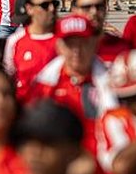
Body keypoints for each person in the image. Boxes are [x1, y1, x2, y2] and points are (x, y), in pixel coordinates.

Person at [23, 14, 112, 153]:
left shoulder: (114, 83)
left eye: (82, 42)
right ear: (59, 46)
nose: (76, 50)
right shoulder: (43, 85)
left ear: (94, 43)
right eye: (70, 43)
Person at [3, 0, 59, 99]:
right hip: (26, 110)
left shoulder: (66, 38)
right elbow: (9, 77)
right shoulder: (15, 41)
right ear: (29, 9)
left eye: (54, 3)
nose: (52, 9)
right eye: (44, 5)